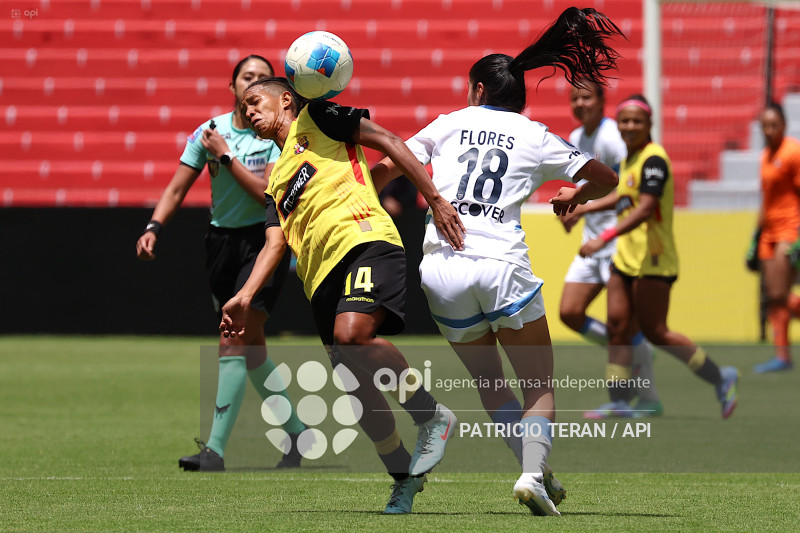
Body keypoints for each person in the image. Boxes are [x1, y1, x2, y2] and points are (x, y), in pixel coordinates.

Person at [371, 7, 622, 516]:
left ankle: (538, 473)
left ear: (479, 91)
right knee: (538, 384)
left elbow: (387, 167)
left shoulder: (447, 124)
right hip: (500, 263)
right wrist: (575, 195)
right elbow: (608, 178)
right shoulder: (535, 134)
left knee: (490, 384)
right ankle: (532, 473)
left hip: (441, 268)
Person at [219, 76, 465, 514]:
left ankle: (431, 415)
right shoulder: (275, 181)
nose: (250, 111)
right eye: (244, 107)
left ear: (287, 99)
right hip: (319, 280)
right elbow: (275, 244)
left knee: (352, 336)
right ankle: (403, 481)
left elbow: (386, 139)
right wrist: (244, 295)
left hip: (364, 240)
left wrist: (434, 198)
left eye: (256, 100)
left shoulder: (317, 117)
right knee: (359, 391)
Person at [135, 55, 306, 471]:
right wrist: (154, 225)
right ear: (233, 88)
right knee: (250, 350)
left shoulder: (272, 136)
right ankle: (299, 436)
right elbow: (177, 188)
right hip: (220, 243)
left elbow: (265, 193)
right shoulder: (209, 132)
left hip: (263, 242)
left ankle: (214, 451)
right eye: (247, 78)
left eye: (262, 80)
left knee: (232, 337)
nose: (254, 86)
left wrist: (226, 157)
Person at [579, 94, 739, 420]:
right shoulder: (629, 159)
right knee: (617, 326)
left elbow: (646, 207)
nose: (630, 126)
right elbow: (623, 197)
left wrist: (602, 238)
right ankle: (620, 400)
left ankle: (720, 377)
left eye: (637, 120)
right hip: (626, 258)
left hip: (654, 259)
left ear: (650, 124)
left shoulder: (654, 160)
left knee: (656, 332)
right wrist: (583, 207)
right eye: (624, 120)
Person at [557, 80, 662, 418]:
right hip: (592, 242)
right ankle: (636, 350)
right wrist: (574, 208)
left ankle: (637, 397)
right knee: (570, 312)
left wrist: (583, 207)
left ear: (602, 102)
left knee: (620, 323)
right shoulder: (575, 139)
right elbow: (586, 189)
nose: (580, 103)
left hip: (617, 241)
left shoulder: (614, 137)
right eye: (574, 98)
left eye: (586, 97)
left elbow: (625, 189)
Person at [751, 102, 800, 373]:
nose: (769, 131)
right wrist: (755, 235)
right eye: (764, 126)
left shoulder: (793, 152)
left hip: (789, 229)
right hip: (768, 231)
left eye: (773, 125)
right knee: (773, 296)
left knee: (781, 292)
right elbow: (766, 199)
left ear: (784, 125)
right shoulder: (765, 155)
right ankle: (782, 356)